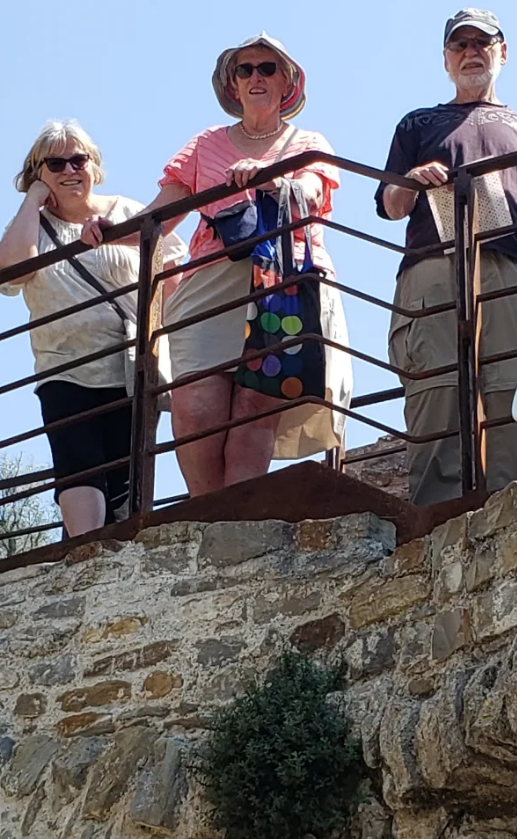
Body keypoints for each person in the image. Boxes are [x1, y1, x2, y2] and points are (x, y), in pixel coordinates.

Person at [82, 34, 352, 498]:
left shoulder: (307, 141)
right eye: (245, 70)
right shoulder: (206, 144)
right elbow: (162, 216)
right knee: (194, 405)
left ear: (286, 80)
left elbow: (311, 191)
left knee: (253, 408)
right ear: (232, 84)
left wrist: (271, 178)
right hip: (209, 280)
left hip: (281, 280)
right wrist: (108, 231)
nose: (255, 78)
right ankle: (205, 518)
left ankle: (236, 522)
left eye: (267, 68)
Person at [376, 8, 517, 507]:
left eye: (482, 43)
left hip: (513, 271)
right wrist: (413, 181)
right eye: (460, 45)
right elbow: (390, 208)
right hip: (431, 270)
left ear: (502, 53)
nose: (471, 53)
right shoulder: (417, 123)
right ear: (445, 59)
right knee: (436, 390)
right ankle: (436, 522)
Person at [0, 120, 187, 537]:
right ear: (38, 172)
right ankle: (85, 559)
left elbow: (172, 279)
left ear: (94, 165)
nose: (68, 170)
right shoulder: (32, 227)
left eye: (77, 159)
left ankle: (108, 562)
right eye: (54, 163)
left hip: (133, 365)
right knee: (78, 468)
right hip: (64, 368)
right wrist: (34, 199)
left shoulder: (129, 213)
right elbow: (10, 271)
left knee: (125, 482)